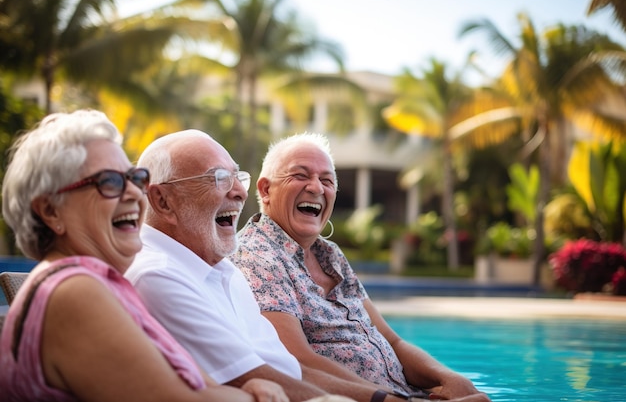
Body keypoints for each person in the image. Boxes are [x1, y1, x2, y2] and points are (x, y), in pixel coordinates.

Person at [0, 110, 284, 402]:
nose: (136, 194)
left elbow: (204, 387)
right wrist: (254, 395)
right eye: (109, 182)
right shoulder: (72, 290)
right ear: (50, 211)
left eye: (135, 178)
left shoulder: (103, 286)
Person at [125, 129, 405, 402]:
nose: (239, 193)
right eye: (219, 178)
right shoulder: (158, 275)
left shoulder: (225, 273)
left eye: (237, 177)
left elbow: (293, 370)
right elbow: (255, 376)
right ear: (162, 200)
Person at [233, 133, 492, 402]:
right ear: (265, 190)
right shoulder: (257, 256)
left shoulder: (330, 255)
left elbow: (393, 342)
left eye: (327, 180)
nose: (317, 188)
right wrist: (396, 398)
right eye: (300, 175)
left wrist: (450, 379)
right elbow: (297, 362)